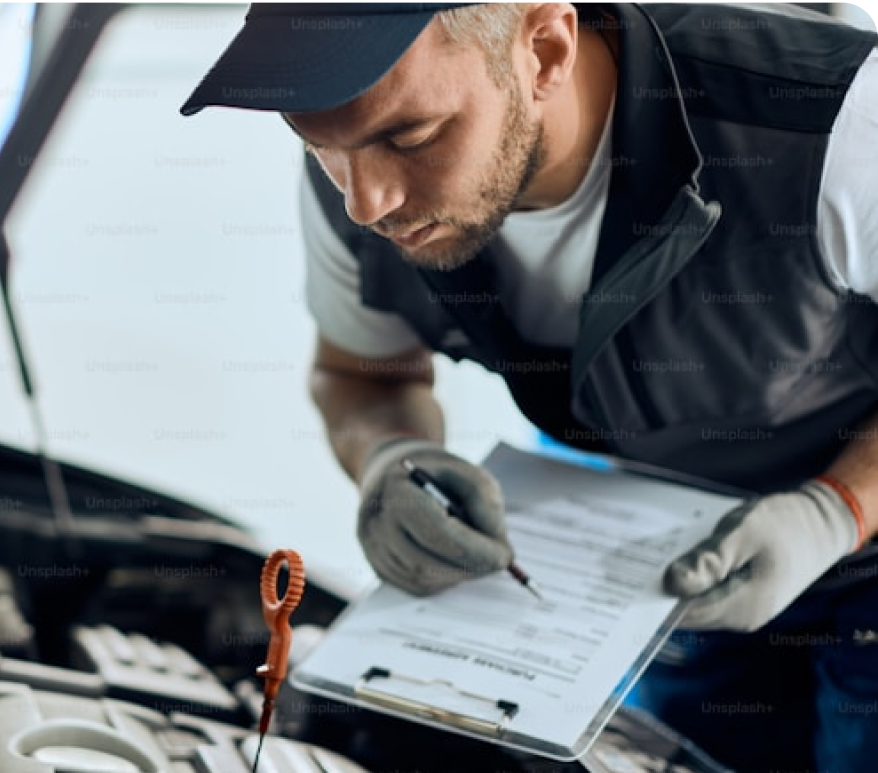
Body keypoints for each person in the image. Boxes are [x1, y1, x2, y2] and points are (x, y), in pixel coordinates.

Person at [180, 2, 878, 771]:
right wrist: (390, 454)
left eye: (408, 137)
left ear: (544, 50)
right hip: (671, 563)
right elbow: (356, 371)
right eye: (317, 147)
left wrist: (837, 510)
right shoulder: (356, 179)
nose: (364, 202)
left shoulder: (829, 121)